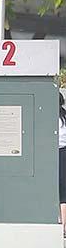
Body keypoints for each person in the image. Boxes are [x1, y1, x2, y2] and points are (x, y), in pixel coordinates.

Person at [57, 92, 66, 237]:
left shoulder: (47, 116)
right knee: (64, 193)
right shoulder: (64, 116)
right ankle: (64, 226)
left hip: (52, 154)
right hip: (64, 152)